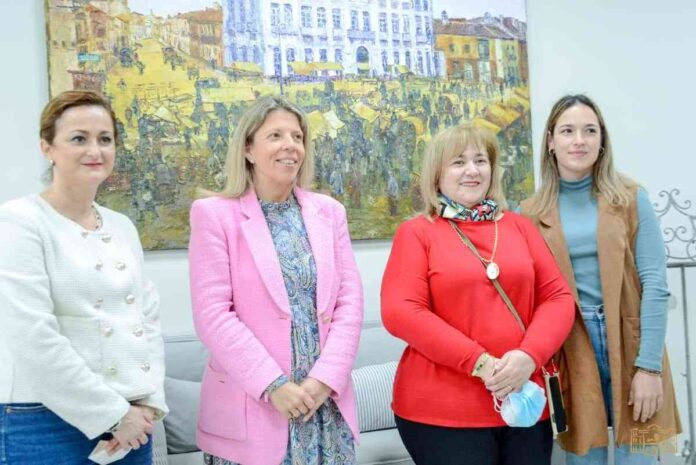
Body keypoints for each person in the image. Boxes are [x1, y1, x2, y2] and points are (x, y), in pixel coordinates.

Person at [381, 122, 575, 465]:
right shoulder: (417, 233)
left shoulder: (519, 227)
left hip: (524, 402)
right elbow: (402, 312)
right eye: (458, 162)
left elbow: (557, 298)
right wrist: (480, 363)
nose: (472, 170)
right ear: (437, 173)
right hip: (442, 413)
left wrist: (529, 356)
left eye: (480, 160)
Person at [188, 95, 363, 465]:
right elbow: (213, 316)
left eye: (297, 137)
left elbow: (349, 303)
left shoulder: (330, 213)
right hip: (255, 406)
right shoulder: (213, 215)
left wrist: (324, 379)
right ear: (248, 149)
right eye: (276, 136)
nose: (290, 146)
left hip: (323, 406)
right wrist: (274, 385)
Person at [0, 90, 168, 464]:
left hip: (131, 421)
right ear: (47, 147)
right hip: (41, 422)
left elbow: (147, 320)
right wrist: (114, 415)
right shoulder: (19, 222)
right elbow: (32, 338)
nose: (95, 150)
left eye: (105, 139)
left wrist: (148, 403)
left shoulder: (122, 226)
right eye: (79, 138)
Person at [520, 95, 681, 464]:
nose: (579, 140)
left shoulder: (631, 198)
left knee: (639, 454)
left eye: (590, 131)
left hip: (632, 341)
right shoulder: (528, 213)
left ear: (602, 140)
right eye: (568, 131)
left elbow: (655, 285)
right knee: (583, 456)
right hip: (571, 345)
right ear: (550, 141)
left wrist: (649, 366)